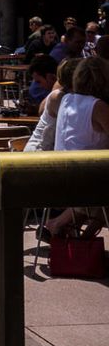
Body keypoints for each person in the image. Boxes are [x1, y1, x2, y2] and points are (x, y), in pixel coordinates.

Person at [48, 56, 109, 239]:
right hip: (84, 181)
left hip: (58, 176)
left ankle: (83, 242)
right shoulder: (98, 106)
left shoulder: (66, 99)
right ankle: (58, 224)